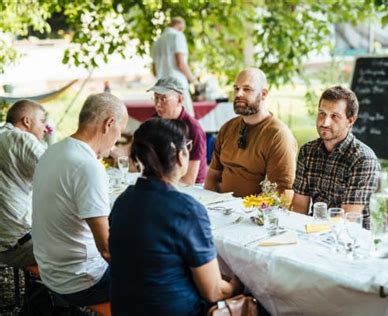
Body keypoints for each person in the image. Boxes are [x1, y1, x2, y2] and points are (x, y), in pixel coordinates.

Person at [109, 118, 241, 315]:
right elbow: (214, 292)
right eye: (187, 146)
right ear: (181, 156)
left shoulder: (122, 201)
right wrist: (241, 282)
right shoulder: (186, 210)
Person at [32, 93, 128, 306]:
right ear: (109, 124)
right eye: (119, 132)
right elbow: (106, 250)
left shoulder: (54, 150)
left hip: (51, 271)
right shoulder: (87, 165)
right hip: (82, 281)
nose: (115, 144)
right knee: (171, 276)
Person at [291, 86, 380, 227]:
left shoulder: (363, 159)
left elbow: (347, 220)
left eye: (334, 116)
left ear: (350, 121)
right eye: (322, 113)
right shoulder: (307, 152)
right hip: (314, 231)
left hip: (350, 239)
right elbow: (298, 207)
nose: (324, 122)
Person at [204, 68, 297, 198]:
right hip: (219, 208)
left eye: (247, 89)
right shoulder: (227, 128)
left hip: (253, 214)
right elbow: (213, 173)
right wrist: (209, 202)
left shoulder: (278, 135)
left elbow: (281, 191)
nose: (238, 94)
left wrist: (243, 209)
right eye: (236, 89)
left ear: (263, 94)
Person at [0, 100, 46, 268]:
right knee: (92, 243)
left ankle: (38, 291)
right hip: (21, 247)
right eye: (42, 121)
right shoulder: (21, 138)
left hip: (5, 245)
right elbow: (59, 174)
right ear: (27, 121)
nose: (45, 127)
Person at [148, 77, 207, 184]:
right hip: (163, 181)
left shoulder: (194, 129)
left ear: (180, 100)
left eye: (163, 99)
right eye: (156, 98)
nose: (157, 104)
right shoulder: (155, 121)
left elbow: (188, 181)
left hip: (193, 188)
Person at [151, 17, 195, 116]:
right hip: (177, 86)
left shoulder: (157, 42)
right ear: (180, 26)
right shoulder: (177, 36)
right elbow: (181, 63)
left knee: (166, 122)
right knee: (186, 121)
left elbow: (154, 71)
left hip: (161, 88)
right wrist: (192, 80)